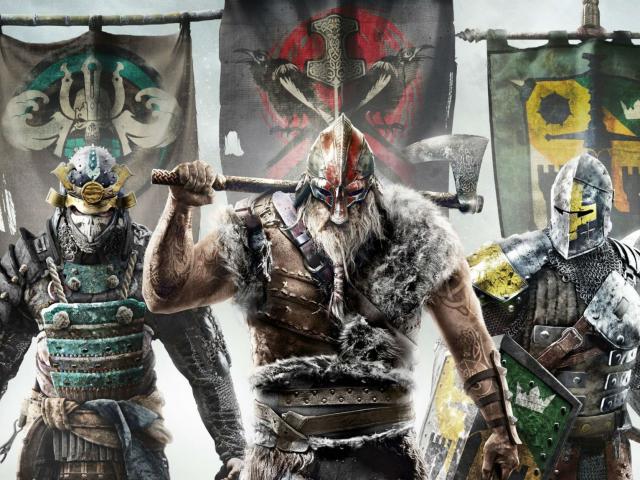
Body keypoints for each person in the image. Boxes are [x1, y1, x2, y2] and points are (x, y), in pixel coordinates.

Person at [143, 114, 520, 480]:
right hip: (284, 460)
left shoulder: (420, 238)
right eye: (327, 196)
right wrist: (180, 206)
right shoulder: (254, 231)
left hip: (386, 462)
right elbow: (164, 295)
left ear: (371, 188)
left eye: (353, 196)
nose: (339, 212)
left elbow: (470, 340)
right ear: (307, 187)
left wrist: (502, 431)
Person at [0, 145, 245, 479]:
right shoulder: (31, 264)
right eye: (81, 214)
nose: (90, 226)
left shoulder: (150, 264)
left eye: (100, 215)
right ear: (63, 204)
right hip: (53, 448)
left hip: (133, 449)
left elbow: (207, 367)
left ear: (117, 206)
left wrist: (234, 450)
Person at [467, 152, 640, 479]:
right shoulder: (523, 263)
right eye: (563, 211)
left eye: (582, 213)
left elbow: (634, 360)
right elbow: (466, 334)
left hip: (607, 447)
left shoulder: (630, 268)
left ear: (603, 208)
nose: (571, 222)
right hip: (533, 447)